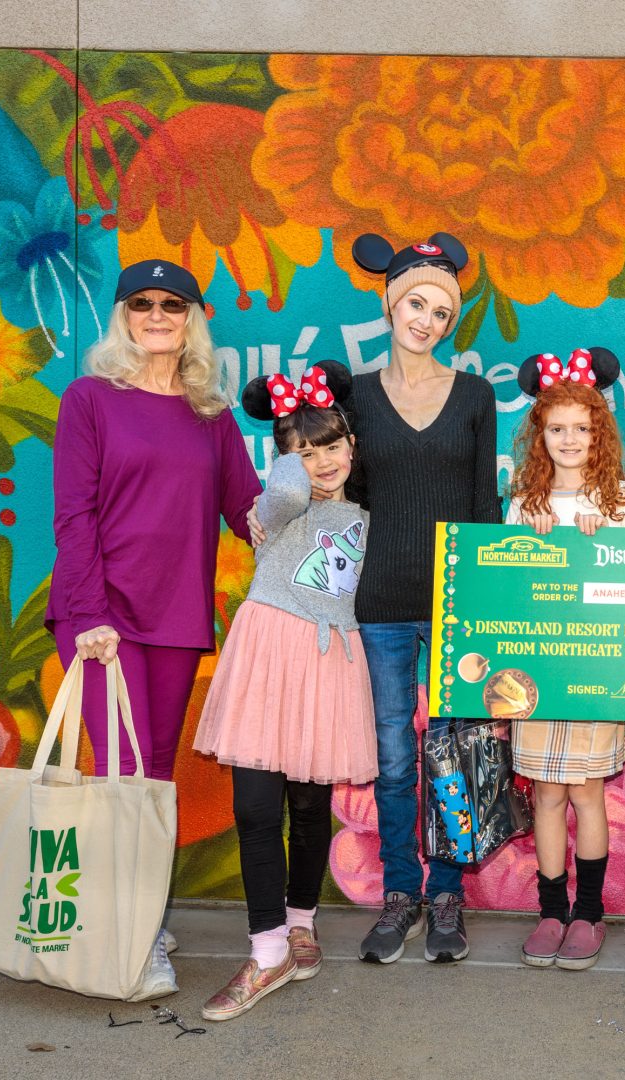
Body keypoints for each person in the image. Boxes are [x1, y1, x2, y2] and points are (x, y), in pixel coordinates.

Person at [195, 361, 377, 1021]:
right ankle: (266, 948)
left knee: (308, 808)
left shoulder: (370, 513)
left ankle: (301, 925)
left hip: (328, 663)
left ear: (352, 445)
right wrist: (289, 456)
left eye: (330, 445)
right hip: (268, 654)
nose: (319, 461)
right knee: (255, 809)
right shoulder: (275, 501)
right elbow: (283, 500)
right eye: (302, 450)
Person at [348, 232, 501, 966]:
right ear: (388, 300)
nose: (427, 319)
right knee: (394, 759)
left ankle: (446, 895)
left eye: (442, 312)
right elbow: (339, 503)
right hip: (377, 601)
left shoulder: (474, 395)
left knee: (452, 753)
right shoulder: (351, 395)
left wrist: (489, 608)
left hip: (457, 606)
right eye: (417, 302)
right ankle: (400, 894)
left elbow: (482, 505)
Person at [48, 258, 260, 782]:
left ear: (192, 319)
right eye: (141, 303)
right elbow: (74, 515)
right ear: (124, 316)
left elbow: (249, 511)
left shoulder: (211, 414)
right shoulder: (89, 399)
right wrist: (91, 614)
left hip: (177, 614)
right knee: (122, 768)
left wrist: (323, 494)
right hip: (101, 610)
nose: (157, 314)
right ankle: (110, 871)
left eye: (172, 304)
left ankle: (143, 870)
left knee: (157, 774)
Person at [506, 348, 625, 972]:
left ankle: (588, 913)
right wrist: (523, 539)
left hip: (593, 673)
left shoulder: (622, 498)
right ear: (540, 434)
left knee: (588, 793)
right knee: (547, 798)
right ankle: (549, 912)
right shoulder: (523, 503)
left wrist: (607, 540)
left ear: (600, 434)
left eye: (581, 429)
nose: (569, 439)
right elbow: (504, 590)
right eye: (556, 428)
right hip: (538, 679)